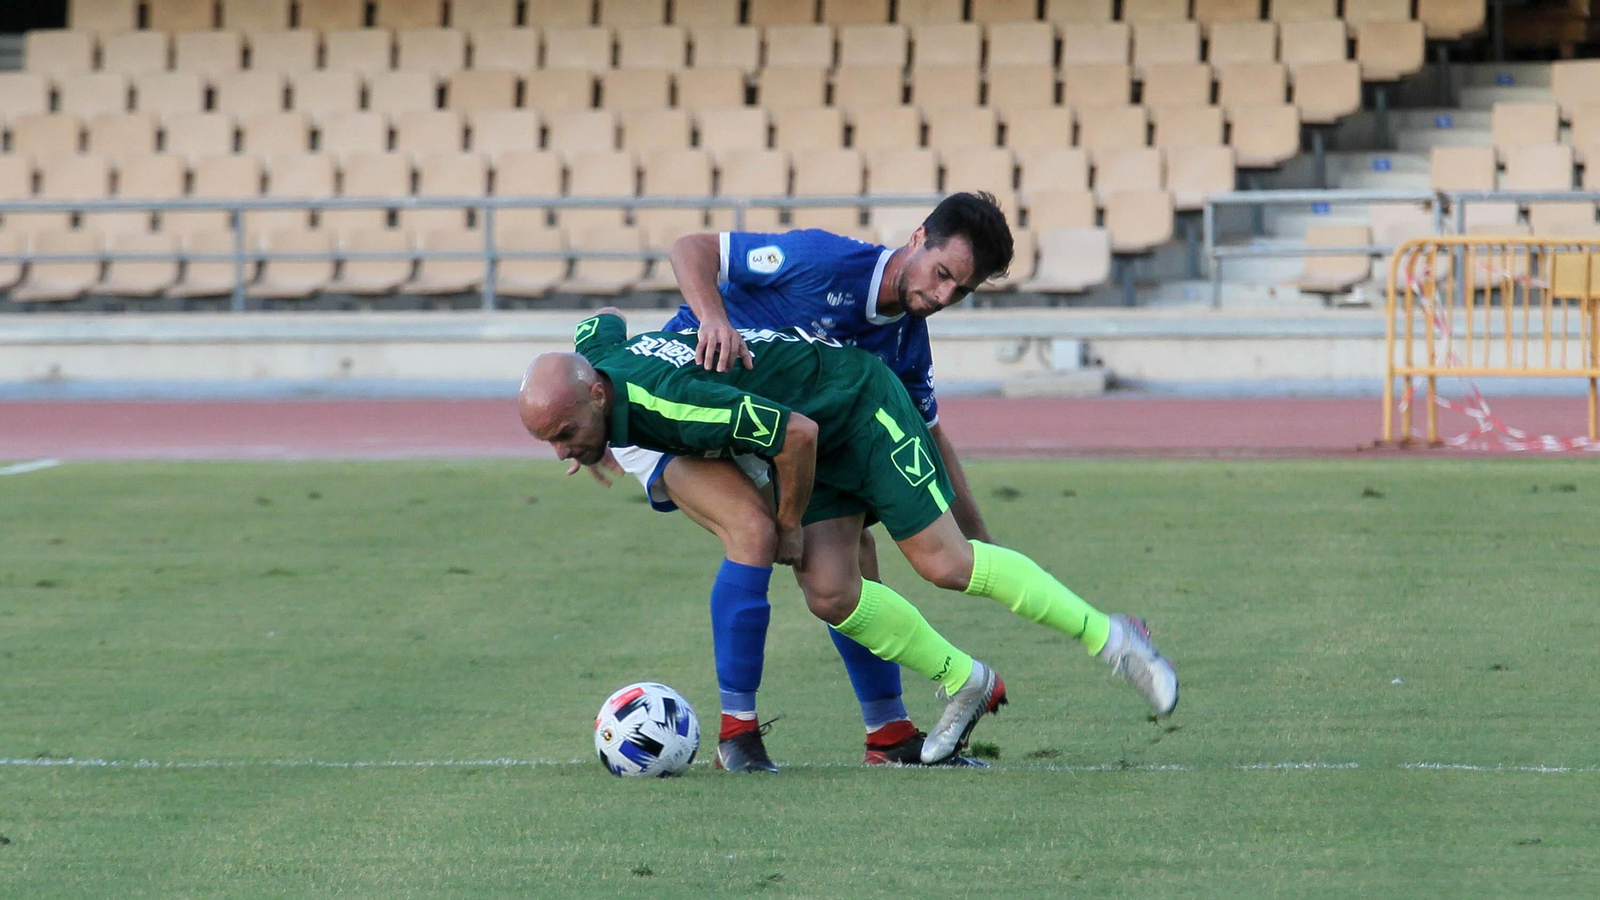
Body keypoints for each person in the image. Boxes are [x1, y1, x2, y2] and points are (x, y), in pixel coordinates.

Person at [519, 311, 1180, 766]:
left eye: (564, 435)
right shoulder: (597, 368)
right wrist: (590, 436)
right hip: (813, 437)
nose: (561, 453)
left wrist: (785, 525)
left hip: (859, 408)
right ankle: (964, 681)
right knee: (832, 593)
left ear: (598, 399)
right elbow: (598, 324)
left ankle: (1115, 638)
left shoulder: (669, 405)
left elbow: (795, 434)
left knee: (944, 563)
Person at [575, 194, 1009, 771]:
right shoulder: (819, 260)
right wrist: (713, 319)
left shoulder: (904, 338)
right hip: (675, 411)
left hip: (764, 428)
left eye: (962, 290)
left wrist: (981, 549)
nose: (944, 296)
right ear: (917, 238)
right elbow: (692, 249)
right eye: (943, 274)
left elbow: (930, 437)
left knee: (851, 555)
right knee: (754, 533)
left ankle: (890, 734)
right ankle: (739, 738)